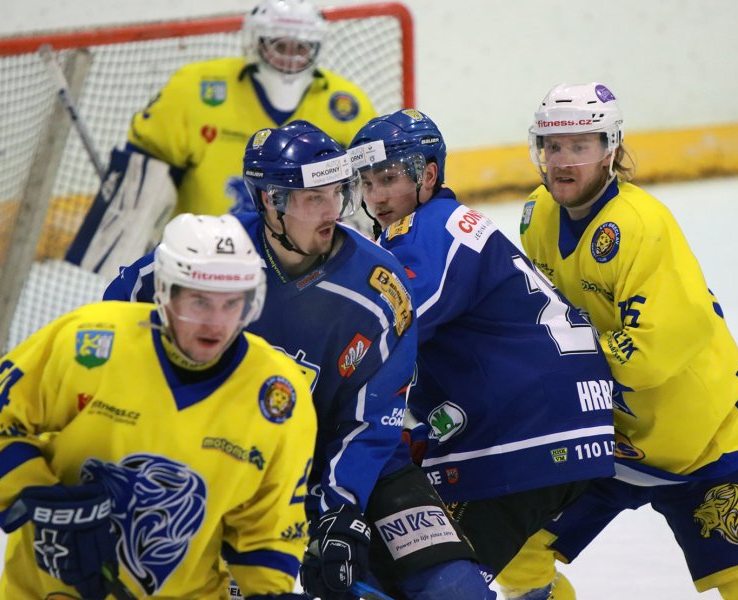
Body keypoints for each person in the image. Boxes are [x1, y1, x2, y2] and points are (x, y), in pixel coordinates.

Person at [104, 120, 496, 599]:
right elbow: (117, 318)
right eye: (315, 199)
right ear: (271, 200)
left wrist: (339, 508)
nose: (333, 211)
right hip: (237, 464)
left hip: (362, 467)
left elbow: (373, 421)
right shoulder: (215, 258)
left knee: (457, 591)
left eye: (337, 193)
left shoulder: (378, 285)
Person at [495, 82, 738, 600]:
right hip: (605, 434)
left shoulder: (642, 225)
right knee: (513, 544)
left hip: (702, 438)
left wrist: (550, 361)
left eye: (580, 146)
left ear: (611, 150)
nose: (562, 162)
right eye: (552, 146)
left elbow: (649, 353)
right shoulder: (538, 214)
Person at [0, 214, 316, 599]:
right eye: (199, 301)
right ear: (164, 292)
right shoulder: (89, 341)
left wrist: (269, 594)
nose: (217, 324)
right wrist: (47, 507)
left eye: (232, 304)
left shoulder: (280, 394)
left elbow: (268, 523)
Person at [348, 109, 617, 584]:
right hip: (555, 420)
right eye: (368, 183)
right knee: (512, 571)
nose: (377, 196)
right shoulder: (440, 224)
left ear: (428, 174)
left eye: (389, 178)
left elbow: (394, 329)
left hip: (528, 431)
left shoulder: (431, 230)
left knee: (428, 578)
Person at [66, 0, 378, 275]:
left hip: (303, 264)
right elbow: (142, 175)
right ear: (255, 42)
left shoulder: (346, 104)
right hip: (203, 259)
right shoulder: (196, 89)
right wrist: (127, 251)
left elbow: (362, 192)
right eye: (279, 45)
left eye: (301, 48)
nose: (290, 58)